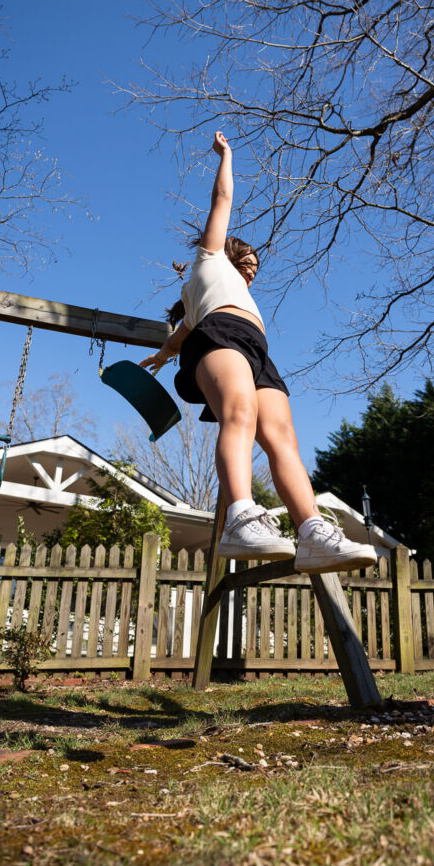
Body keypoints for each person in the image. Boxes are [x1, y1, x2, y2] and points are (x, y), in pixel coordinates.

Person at [139, 131, 377, 573]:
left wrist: (163, 353)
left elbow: (177, 337)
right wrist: (226, 156)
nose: (251, 273)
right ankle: (241, 517)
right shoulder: (208, 262)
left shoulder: (213, 298)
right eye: (246, 264)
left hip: (255, 351)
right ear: (227, 254)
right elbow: (222, 199)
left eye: (254, 269)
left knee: (283, 438)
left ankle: (312, 532)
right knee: (240, 417)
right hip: (219, 336)